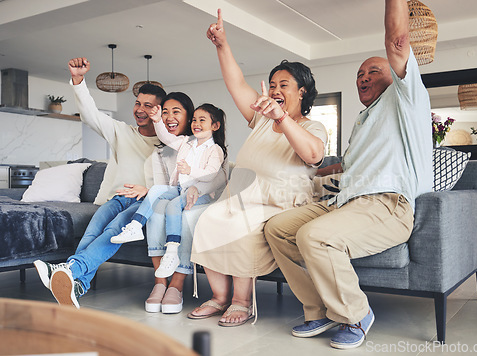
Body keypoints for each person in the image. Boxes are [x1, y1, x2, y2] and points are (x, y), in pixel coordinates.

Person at [264, 0, 433, 349]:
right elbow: (343, 167)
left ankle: (356, 314)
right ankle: (319, 308)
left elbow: (398, 40)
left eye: (374, 71)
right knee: (277, 229)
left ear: (396, 76)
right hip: (345, 202)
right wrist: (313, 171)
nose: (364, 77)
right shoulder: (363, 119)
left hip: (387, 205)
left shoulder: (406, 100)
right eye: (359, 75)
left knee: (314, 236)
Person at [187, 9, 327, 327]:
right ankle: (220, 297)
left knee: (242, 225)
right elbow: (235, 82)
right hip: (242, 197)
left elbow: (313, 155)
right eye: (273, 84)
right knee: (208, 219)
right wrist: (222, 44)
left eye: (285, 85)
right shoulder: (261, 118)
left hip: (281, 204)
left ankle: (241, 301)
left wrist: (281, 117)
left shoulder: (312, 126)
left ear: (302, 91)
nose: (276, 89)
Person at [33, 57, 167, 308]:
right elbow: (90, 114)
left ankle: (70, 270)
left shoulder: (168, 144)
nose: (140, 109)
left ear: (159, 110)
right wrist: (78, 80)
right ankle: (77, 285)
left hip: (141, 204)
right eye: (137, 103)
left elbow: (173, 182)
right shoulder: (121, 131)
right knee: (91, 232)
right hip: (116, 198)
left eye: (148, 106)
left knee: (113, 229)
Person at [111, 103, 227, 281]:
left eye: (202, 120)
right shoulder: (187, 142)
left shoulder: (215, 149)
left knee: (172, 206)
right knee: (157, 190)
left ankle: (172, 251)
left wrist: (190, 170)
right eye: (194, 119)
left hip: (199, 195)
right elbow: (166, 138)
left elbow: (212, 174)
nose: (196, 123)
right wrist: (157, 121)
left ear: (215, 126)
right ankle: (135, 226)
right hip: (180, 189)